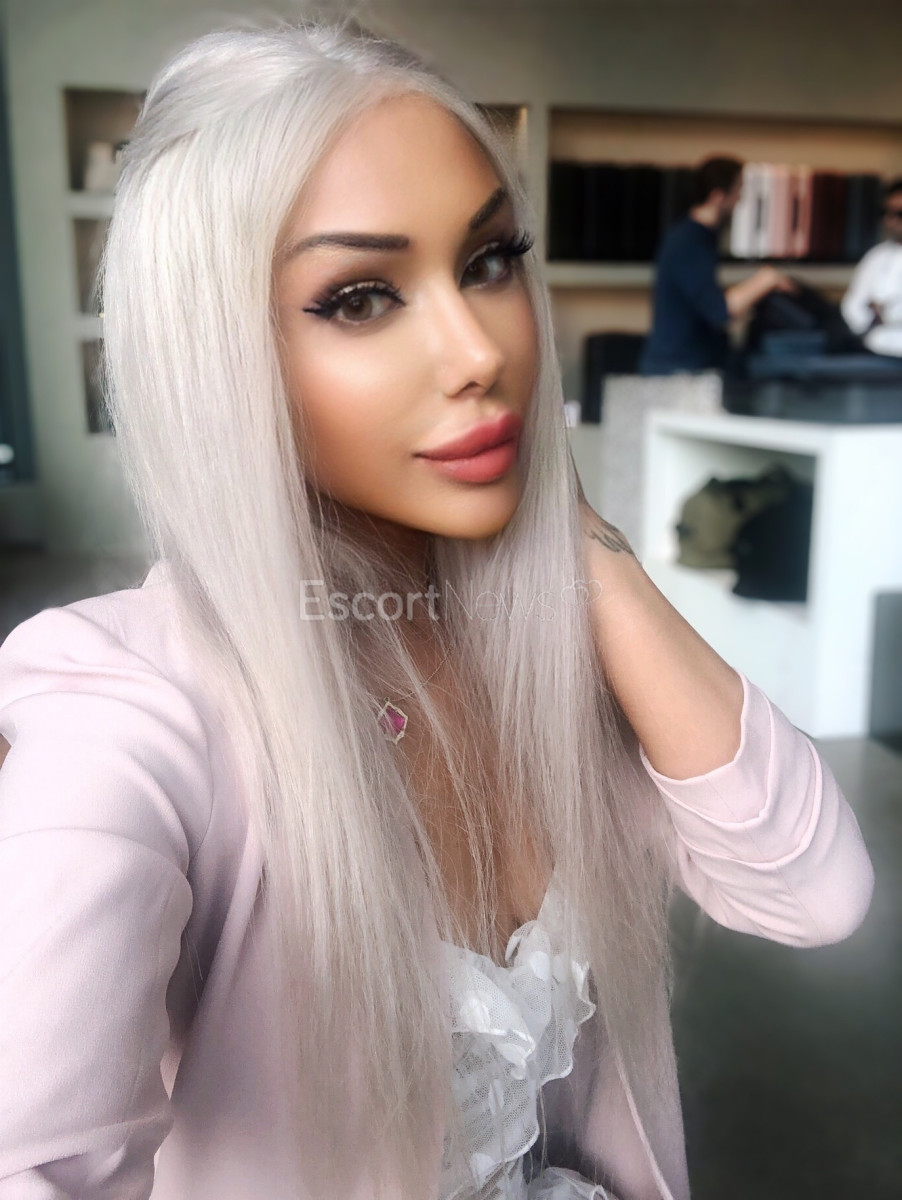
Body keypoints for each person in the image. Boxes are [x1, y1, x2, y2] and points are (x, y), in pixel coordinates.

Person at [0, 20, 874, 1200]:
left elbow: (812, 892)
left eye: (488, 261)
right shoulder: (130, 707)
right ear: (219, 355)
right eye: (360, 297)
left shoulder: (541, 643)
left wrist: (577, 539)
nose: (477, 354)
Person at [640, 156, 795, 375]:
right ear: (717, 197)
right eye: (737, 192)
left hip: (691, 367)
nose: (740, 200)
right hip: (675, 373)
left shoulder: (702, 238)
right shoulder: (687, 243)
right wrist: (766, 279)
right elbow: (719, 310)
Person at [841, 177, 902, 357]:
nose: (891, 221)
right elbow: (852, 306)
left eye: (899, 214)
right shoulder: (876, 255)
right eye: (886, 213)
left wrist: (883, 311)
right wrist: (873, 316)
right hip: (872, 347)